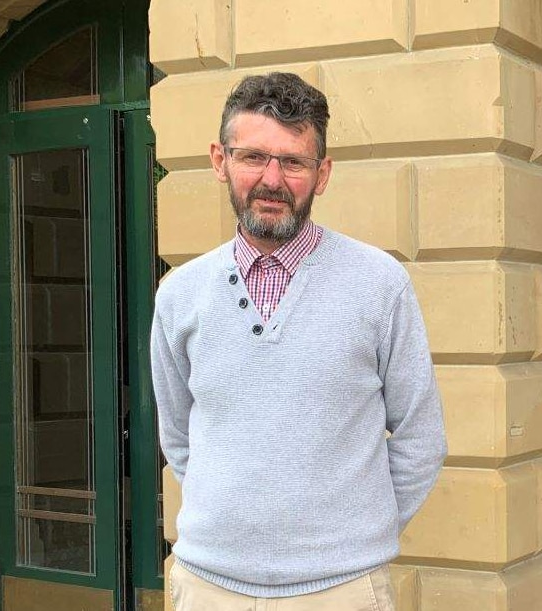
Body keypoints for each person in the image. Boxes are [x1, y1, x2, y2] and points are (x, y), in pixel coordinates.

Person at [151, 72, 447, 611]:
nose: (272, 179)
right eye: (252, 157)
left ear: (322, 173)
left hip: (343, 591)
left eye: (293, 161)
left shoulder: (379, 284)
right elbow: (178, 438)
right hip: (208, 588)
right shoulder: (178, 296)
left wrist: (355, 534)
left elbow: (420, 436)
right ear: (220, 161)